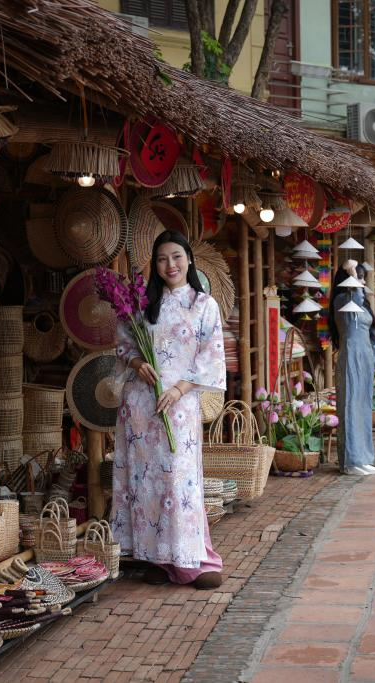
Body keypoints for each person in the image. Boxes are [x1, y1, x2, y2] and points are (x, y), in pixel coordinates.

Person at [110, 230, 227, 589]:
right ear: (155, 265)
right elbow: (123, 345)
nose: (170, 265)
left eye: (176, 257)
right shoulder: (143, 304)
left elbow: (211, 356)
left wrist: (178, 390)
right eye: (162, 259)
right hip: (140, 406)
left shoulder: (203, 304)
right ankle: (154, 558)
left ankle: (188, 557)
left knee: (179, 480)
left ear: (189, 259)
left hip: (179, 406)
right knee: (144, 482)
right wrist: (137, 363)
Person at [327, 260, 375, 476]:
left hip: (365, 359)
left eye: (362, 277)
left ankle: (364, 458)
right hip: (351, 358)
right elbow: (355, 299)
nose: (361, 282)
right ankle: (351, 462)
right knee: (350, 407)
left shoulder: (361, 303)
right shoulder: (343, 301)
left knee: (363, 408)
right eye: (358, 277)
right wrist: (351, 272)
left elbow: (371, 335)